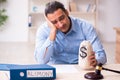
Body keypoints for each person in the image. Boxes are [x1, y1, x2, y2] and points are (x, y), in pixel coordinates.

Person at [34, 1, 107, 66]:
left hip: (80, 68)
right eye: (54, 22)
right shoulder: (43, 30)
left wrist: (96, 60)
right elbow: (41, 61)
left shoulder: (86, 27)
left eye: (62, 18)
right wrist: (53, 32)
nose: (60, 24)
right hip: (56, 68)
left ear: (67, 12)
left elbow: (102, 56)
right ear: (49, 22)